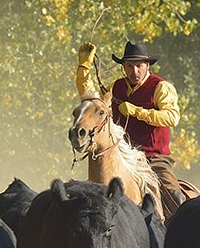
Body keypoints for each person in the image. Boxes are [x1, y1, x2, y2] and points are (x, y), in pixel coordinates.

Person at [76, 39, 187, 217]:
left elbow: (172, 117)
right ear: (124, 67)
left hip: (154, 158)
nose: (134, 71)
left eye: (138, 66)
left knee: (174, 196)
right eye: (129, 66)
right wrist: (83, 68)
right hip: (122, 156)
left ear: (147, 65)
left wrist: (137, 111)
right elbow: (94, 102)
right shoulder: (116, 87)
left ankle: (181, 233)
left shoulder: (161, 87)